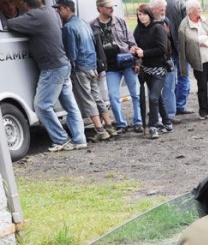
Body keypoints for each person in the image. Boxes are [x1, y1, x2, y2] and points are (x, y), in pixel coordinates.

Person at [7, 0, 88, 152]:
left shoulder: (35, 16)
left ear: (25, 5)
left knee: (42, 105)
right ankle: (79, 139)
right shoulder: (49, 11)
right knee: (71, 106)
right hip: (63, 64)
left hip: (52, 67)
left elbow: (10, 24)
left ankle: (61, 139)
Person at [55, 0, 116, 143]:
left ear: (67, 9)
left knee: (88, 100)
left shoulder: (68, 28)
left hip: (80, 68)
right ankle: (109, 126)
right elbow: (94, 44)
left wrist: (71, 71)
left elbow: (71, 53)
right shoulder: (83, 23)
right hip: (92, 65)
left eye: (59, 9)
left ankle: (99, 130)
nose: (58, 12)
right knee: (97, 97)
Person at [91, 0, 144, 133]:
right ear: (100, 8)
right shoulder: (93, 26)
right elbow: (92, 49)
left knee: (135, 94)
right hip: (110, 67)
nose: (112, 9)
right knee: (113, 96)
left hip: (127, 63)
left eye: (112, 7)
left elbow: (132, 43)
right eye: (108, 7)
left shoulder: (120, 21)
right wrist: (96, 68)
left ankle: (139, 121)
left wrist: (137, 62)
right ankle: (121, 124)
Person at [178, 0, 208, 120]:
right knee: (202, 86)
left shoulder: (205, 20)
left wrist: (207, 41)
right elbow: (184, 47)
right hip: (198, 60)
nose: (200, 9)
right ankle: (203, 111)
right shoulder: (184, 26)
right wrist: (202, 39)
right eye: (198, 8)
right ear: (190, 10)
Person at [132, 3, 169, 140]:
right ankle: (167, 122)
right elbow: (137, 48)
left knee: (153, 97)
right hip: (146, 69)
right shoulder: (138, 30)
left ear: (150, 14)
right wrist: (135, 53)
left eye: (144, 14)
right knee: (157, 97)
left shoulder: (158, 28)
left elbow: (162, 49)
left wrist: (143, 53)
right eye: (139, 14)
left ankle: (153, 126)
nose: (142, 17)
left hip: (159, 68)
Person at [151, 0, 179, 127]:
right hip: (155, 62)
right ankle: (157, 117)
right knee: (156, 91)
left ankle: (171, 115)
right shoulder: (147, 24)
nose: (164, 12)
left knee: (170, 87)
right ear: (153, 10)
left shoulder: (166, 21)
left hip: (169, 59)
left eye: (164, 9)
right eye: (161, 10)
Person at [166, 0, 192, 115]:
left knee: (169, 80)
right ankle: (179, 105)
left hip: (167, 48)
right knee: (183, 77)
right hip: (180, 47)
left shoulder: (159, 4)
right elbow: (187, 26)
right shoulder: (180, 4)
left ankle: (170, 105)